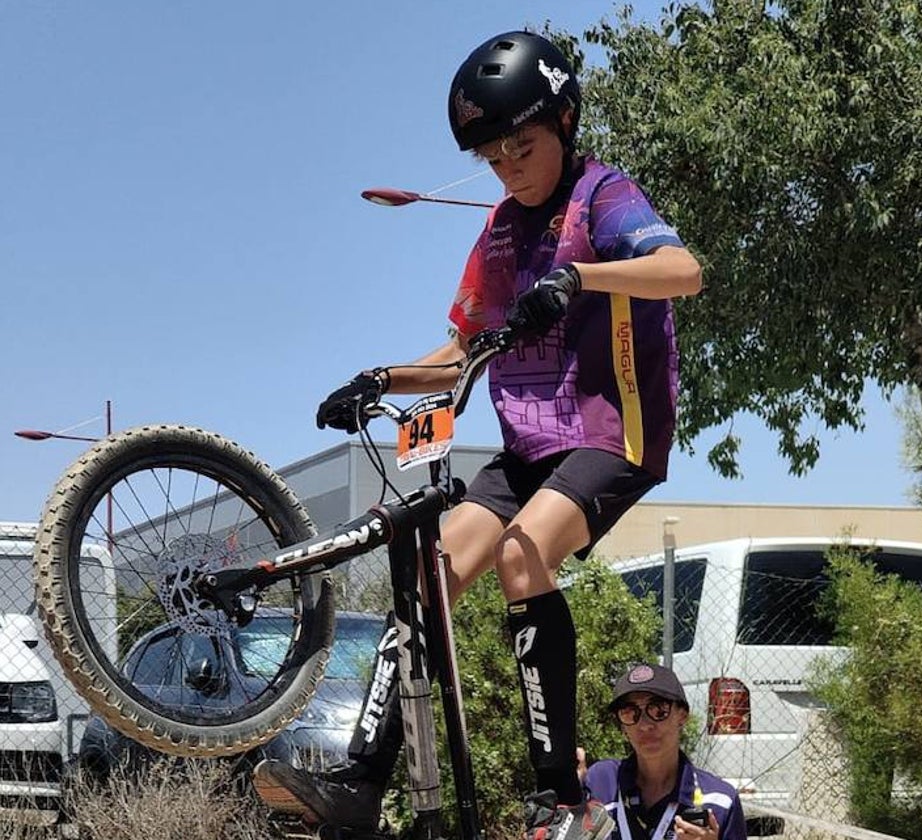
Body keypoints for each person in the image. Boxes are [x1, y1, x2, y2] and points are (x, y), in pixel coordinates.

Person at [253, 28, 702, 840]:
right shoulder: (499, 231)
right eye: (493, 157)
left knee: (521, 556)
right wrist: (380, 379)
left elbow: (683, 271)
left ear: (564, 121)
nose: (509, 167)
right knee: (431, 575)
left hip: (613, 429)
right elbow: (462, 351)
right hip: (530, 446)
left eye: (521, 147)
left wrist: (579, 277)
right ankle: (364, 779)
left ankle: (556, 789)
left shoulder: (604, 196)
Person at [584, 663, 747, 840]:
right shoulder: (600, 783)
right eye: (630, 712)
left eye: (658, 710)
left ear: (682, 715)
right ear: (622, 725)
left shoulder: (719, 800)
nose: (645, 725)